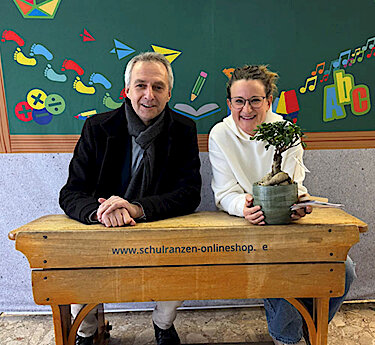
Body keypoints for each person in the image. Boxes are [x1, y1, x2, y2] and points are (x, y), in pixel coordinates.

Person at [59, 52, 202, 345]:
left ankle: (163, 324)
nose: (149, 95)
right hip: (104, 233)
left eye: (158, 87)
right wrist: (102, 212)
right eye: (141, 85)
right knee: (76, 269)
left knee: (186, 261)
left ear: (169, 93)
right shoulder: (97, 128)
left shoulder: (184, 130)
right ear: (127, 90)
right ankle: (86, 332)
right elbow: (71, 192)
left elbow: (189, 194)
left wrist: (136, 209)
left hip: (158, 232)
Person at [208, 65, 356, 345]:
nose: (246, 109)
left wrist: (298, 203)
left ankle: (307, 328)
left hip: (286, 222)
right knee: (281, 264)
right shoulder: (220, 135)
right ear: (230, 103)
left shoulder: (287, 131)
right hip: (246, 224)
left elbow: (294, 183)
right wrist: (244, 206)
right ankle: (286, 337)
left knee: (344, 269)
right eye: (239, 101)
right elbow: (224, 192)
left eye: (255, 101)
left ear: (269, 101)